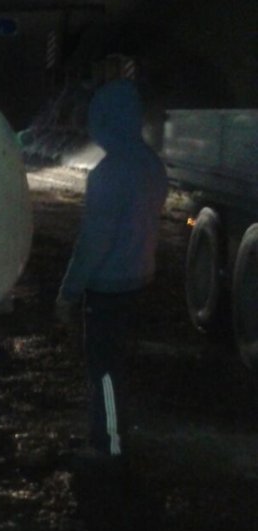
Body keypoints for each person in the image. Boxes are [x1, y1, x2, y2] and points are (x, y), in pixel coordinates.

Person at [55, 78, 168, 459]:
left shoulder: (109, 172)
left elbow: (92, 244)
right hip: (139, 279)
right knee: (120, 365)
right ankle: (113, 434)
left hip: (108, 288)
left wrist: (69, 292)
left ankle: (109, 445)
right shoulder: (151, 164)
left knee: (103, 370)